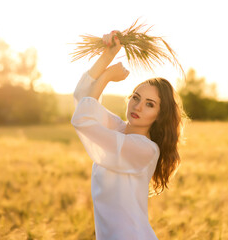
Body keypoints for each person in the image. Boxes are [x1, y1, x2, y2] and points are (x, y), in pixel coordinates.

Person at [71, 30, 183, 240]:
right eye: (136, 97)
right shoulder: (118, 129)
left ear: (160, 115)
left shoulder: (145, 149)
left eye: (149, 104)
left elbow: (82, 118)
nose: (138, 107)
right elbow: (82, 100)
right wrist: (108, 55)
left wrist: (106, 77)